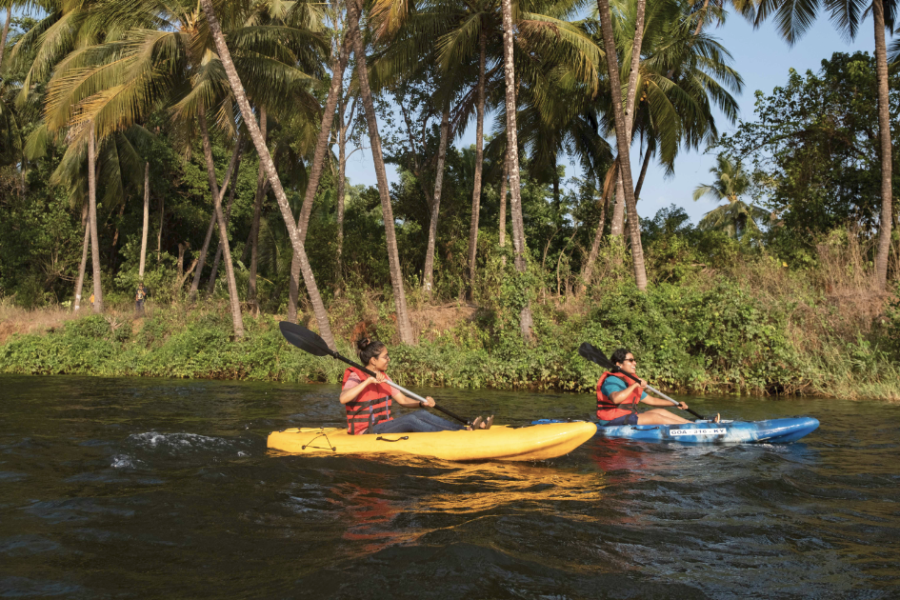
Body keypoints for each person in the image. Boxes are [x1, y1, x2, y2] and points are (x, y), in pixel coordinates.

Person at [340, 336, 492, 435]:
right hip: (366, 431)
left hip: (384, 426)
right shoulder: (356, 377)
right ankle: (457, 435)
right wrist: (368, 381)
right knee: (409, 421)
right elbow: (343, 398)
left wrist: (421, 403)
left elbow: (403, 400)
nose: (389, 359)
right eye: (385, 357)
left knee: (421, 414)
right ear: (373, 360)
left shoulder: (385, 377)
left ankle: (465, 429)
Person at [597, 349, 717, 425]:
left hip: (626, 417)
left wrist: (675, 404)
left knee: (660, 411)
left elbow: (652, 400)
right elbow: (616, 399)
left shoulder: (631, 380)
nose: (635, 363)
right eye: (631, 360)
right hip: (611, 420)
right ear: (619, 364)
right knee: (655, 417)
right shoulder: (611, 380)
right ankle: (693, 427)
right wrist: (635, 385)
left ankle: (692, 424)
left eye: (634, 360)